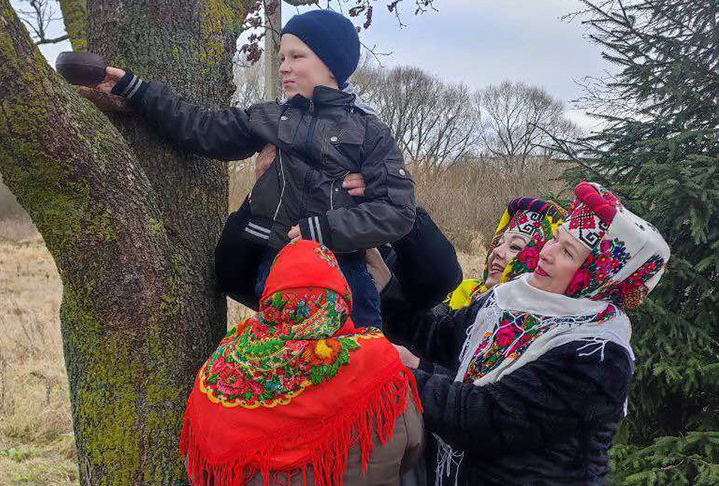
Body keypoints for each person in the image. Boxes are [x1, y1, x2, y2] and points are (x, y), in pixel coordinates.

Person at [93, 10, 416, 327]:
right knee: (282, 373)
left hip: (346, 278)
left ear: (331, 64)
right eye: (282, 58)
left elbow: (397, 212)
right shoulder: (270, 117)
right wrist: (136, 89)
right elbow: (202, 128)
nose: (285, 68)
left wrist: (322, 231)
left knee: (353, 372)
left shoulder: (370, 132)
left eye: (296, 56)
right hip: (276, 273)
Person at [380, 181, 670, 485]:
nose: (546, 253)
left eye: (567, 252)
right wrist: (383, 288)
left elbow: (487, 417)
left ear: (598, 277)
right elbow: (437, 338)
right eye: (556, 239)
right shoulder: (510, 300)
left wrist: (406, 372)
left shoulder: (597, 354)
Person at [181, 240, 423, 486]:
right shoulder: (379, 363)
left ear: (271, 300)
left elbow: (198, 467)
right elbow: (413, 447)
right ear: (340, 300)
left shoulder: (221, 369)